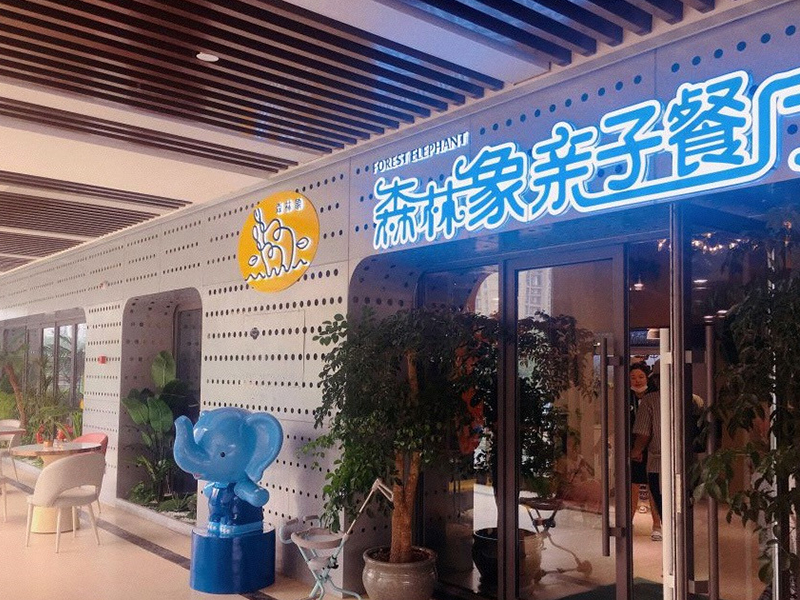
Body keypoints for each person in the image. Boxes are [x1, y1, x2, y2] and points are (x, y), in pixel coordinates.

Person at [629, 362, 662, 541]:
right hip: (633, 448)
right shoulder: (625, 398)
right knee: (632, 485)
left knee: (653, 487)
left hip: (652, 449)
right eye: (633, 377)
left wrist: (640, 448)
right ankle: (628, 522)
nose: (637, 380)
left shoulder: (654, 397)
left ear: (648, 378)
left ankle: (657, 525)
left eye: (641, 377)